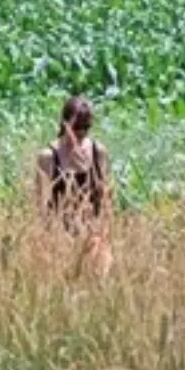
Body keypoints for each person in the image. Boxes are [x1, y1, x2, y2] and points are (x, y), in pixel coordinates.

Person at [34, 96, 114, 276]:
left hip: (92, 237)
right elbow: (41, 205)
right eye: (77, 127)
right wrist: (51, 238)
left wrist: (103, 233)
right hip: (59, 237)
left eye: (87, 127)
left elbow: (105, 196)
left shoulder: (98, 151)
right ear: (65, 124)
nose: (82, 133)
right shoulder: (48, 156)